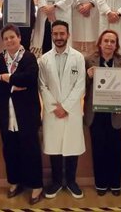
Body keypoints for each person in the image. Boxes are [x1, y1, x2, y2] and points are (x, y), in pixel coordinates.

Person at [0, 24, 43, 204]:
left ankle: (36, 186)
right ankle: (15, 182)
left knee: (31, 151)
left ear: (19, 37)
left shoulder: (28, 57)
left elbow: (30, 78)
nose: (9, 41)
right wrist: (12, 83)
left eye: (12, 37)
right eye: (6, 38)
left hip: (27, 114)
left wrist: (6, 77)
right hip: (6, 114)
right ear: (3, 42)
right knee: (10, 151)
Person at [38, 21, 86, 199]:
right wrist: (54, 107)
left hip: (71, 110)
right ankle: (57, 181)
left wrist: (65, 107)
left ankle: (72, 181)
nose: (59, 37)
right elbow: (42, 86)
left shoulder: (78, 57)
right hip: (52, 111)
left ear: (68, 35)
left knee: (72, 146)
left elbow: (81, 85)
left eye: (62, 34)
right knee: (55, 147)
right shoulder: (44, 59)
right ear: (51, 35)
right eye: (55, 34)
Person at [84, 29, 121, 196]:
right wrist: (87, 76)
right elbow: (82, 88)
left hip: (115, 113)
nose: (109, 44)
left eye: (112, 42)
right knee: (98, 149)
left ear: (116, 45)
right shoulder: (89, 61)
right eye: (106, 41)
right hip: (95, 113)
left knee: (114, 149)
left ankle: (115, 183)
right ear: (100, 43)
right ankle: (101, 183)